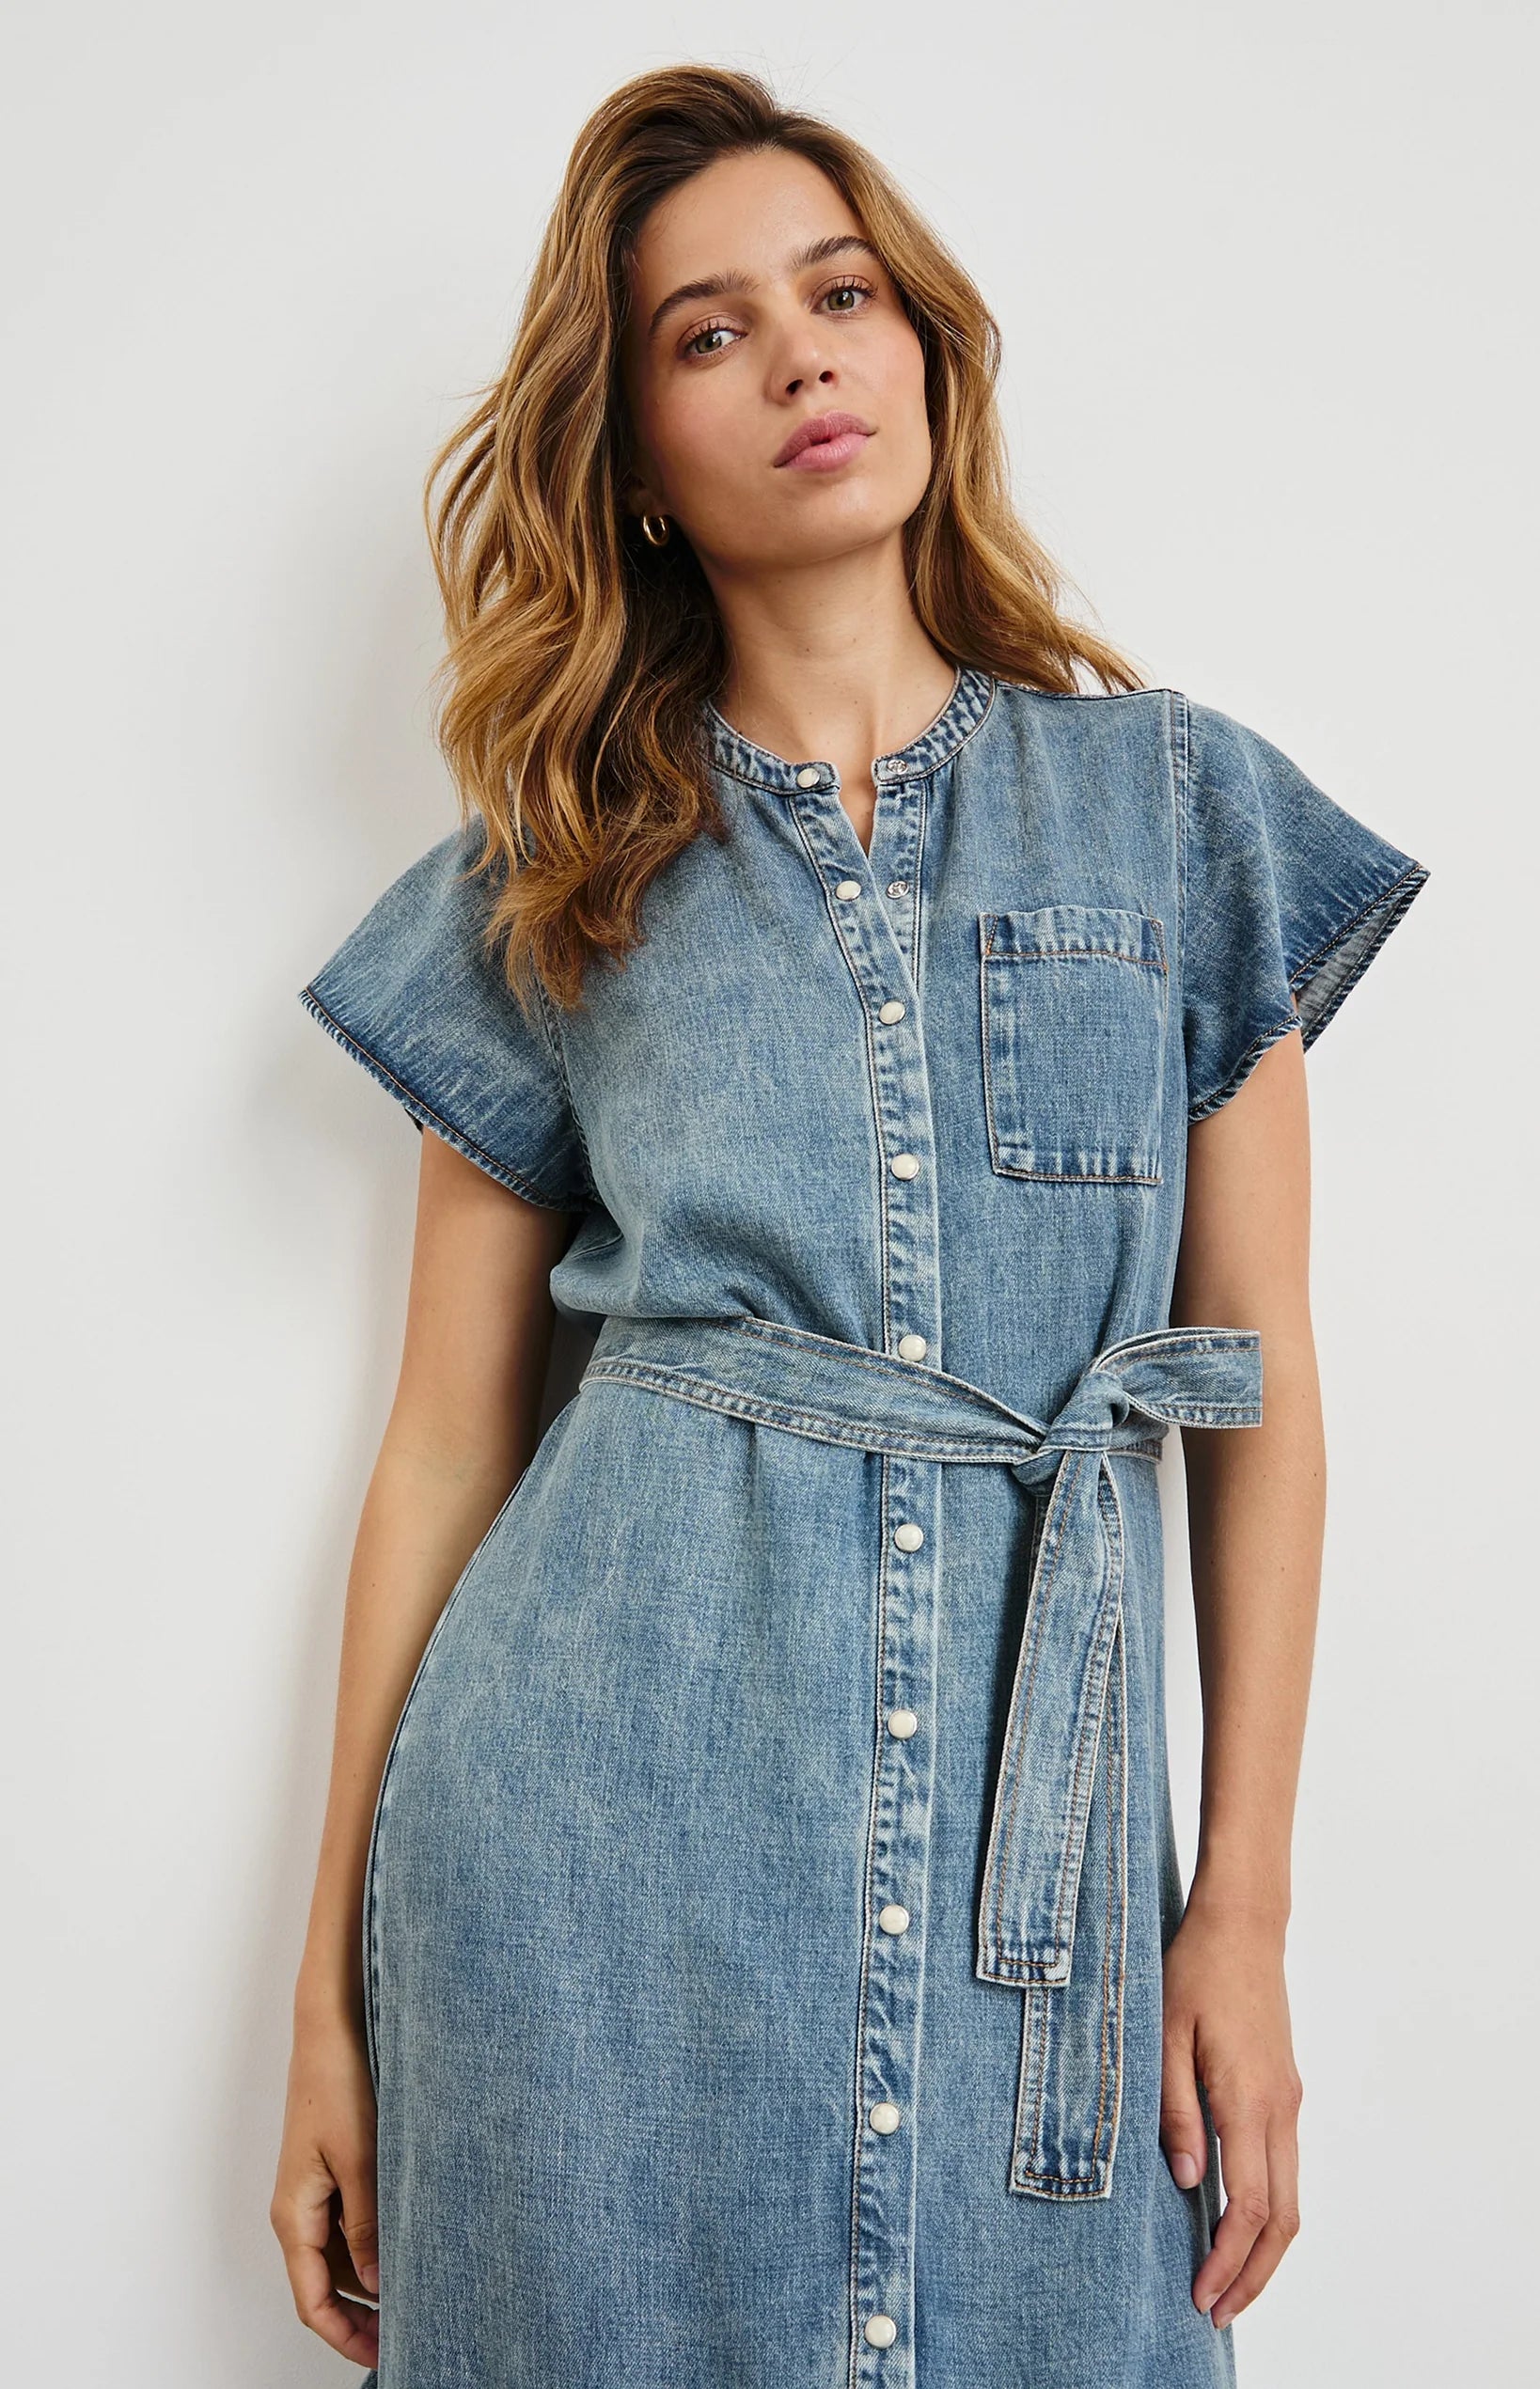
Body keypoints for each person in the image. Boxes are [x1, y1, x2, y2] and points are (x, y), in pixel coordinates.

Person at [272, 62, 1426, 2389]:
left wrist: (1245, 1909)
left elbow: (1258, 1388)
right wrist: (332, 1991)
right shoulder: (550, 878)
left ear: (921, 349)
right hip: (588, 1863)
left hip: (1057, 1898)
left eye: (838, 290)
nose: (799, 354)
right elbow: (437, 1446)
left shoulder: (1176, 804)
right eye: (705, 334)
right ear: (637, 457)